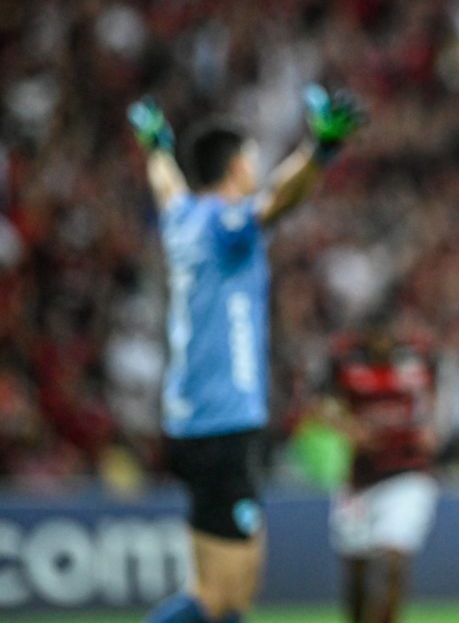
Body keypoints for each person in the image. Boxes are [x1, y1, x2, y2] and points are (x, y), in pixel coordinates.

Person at [130, 85, 365, 623]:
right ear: (235, 166)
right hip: (223, 423)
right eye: (252, 158)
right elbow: (279, 199)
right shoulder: (222, 225)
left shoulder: (181, 217)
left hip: (191, 420)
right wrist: (319, 152)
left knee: (222, 590)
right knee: (222, 597)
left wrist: (156, 148)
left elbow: (165, 181)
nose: (257, 166)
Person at [322, 315, 440, 623]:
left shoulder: (418, 360)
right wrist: (349, 428)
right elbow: (319, 402)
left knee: (392, 562)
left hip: (408, 475)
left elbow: (435, 394)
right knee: (357, 577)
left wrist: (432, 424)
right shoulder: (345, 363)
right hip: (361, 481)